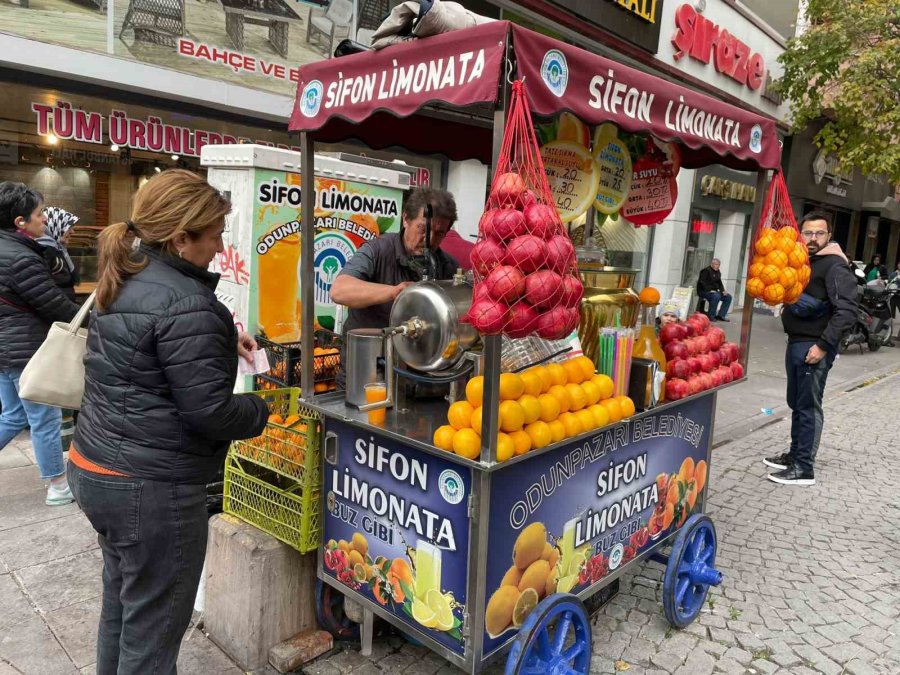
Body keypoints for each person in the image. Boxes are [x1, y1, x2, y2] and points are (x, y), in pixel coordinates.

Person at [68, 170, 269, 674]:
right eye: (215, 235)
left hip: (96, 468)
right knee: (153, 636)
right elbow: (211, 412)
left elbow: (148, 361)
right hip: (151, 493)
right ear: (181, 238)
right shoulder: (187, 301)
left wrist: (224, 339)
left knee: (124, 607)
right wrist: (265, 408)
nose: (220, 247)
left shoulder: (125, 278)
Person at [0, 182, 80, 506]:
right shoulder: (22, 258)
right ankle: (58, 485)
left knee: (13, 416)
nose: (44, 220)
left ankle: (57, 481)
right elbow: (55, 306)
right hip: (24, 349)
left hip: (5, 349)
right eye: (38, 214)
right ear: (20, 222)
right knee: (43, 418)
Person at [764, 211, 857, 486]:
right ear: (800, 234)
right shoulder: (805, 262)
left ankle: (804, 468)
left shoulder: (834, 266)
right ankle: (795, 455)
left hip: (812, 346)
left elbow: (847, 311)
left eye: (819, 233)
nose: (813, 238)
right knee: (797, 403)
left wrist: (823, 345)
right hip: (796, 342)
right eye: (808, 233)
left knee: (808, 406)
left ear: (829, 236)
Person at [330, 186, 459, 335]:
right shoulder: (377, 250)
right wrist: (394, 292)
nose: (429, 240)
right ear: (405, 219)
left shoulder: (448, 265)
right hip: (369, 351)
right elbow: (339, 290)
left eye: (439, 233)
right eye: (422, 229)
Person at [38, 206, 81, 301]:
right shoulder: (46, 249)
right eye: (69, 227)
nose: (72, 232)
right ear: (56, 225)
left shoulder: (57, 248)